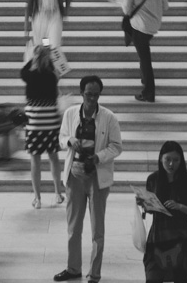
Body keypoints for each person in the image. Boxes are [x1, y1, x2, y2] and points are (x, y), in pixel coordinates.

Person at [55, 74, 123, 283]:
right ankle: (73, 268)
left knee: (97, 230)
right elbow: (61, 137)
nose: (92, 99)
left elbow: (116, 146)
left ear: (99, 94)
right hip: (75, 176)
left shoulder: (109, 117)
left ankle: (94, 273)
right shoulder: (70, 113)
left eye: (95, 95)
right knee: (73, 227)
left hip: (96, 178)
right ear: (82, 93)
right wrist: (71, 141)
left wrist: (98, 157)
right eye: (88, 94)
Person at [139, 140, 187, 283]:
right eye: (167, 159)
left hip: (181, 238)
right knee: (153, 277)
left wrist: (180, 206)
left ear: (182, 160)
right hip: (158, 236)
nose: (171, 164)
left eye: (176, 160)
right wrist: (145, 205)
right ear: (161, 159)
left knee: (181, 278)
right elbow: (149, 209)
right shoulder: (153, 179)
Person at [21, 43, 66, 208]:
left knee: (35, 161)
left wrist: (33, 58)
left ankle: (38, 198)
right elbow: (57, 73)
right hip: (51, 123)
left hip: (34, 123)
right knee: (54, 158)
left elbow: (22, 71)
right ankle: (58, 193)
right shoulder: (52, 76)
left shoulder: (29, 75)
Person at [121, 0, 168, 103]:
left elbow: (127, 10)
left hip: (140, 26)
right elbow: (165, 6)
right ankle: (143, 78)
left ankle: (149, 92)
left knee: (145, 58)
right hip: (154, 24)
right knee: (143, 53)